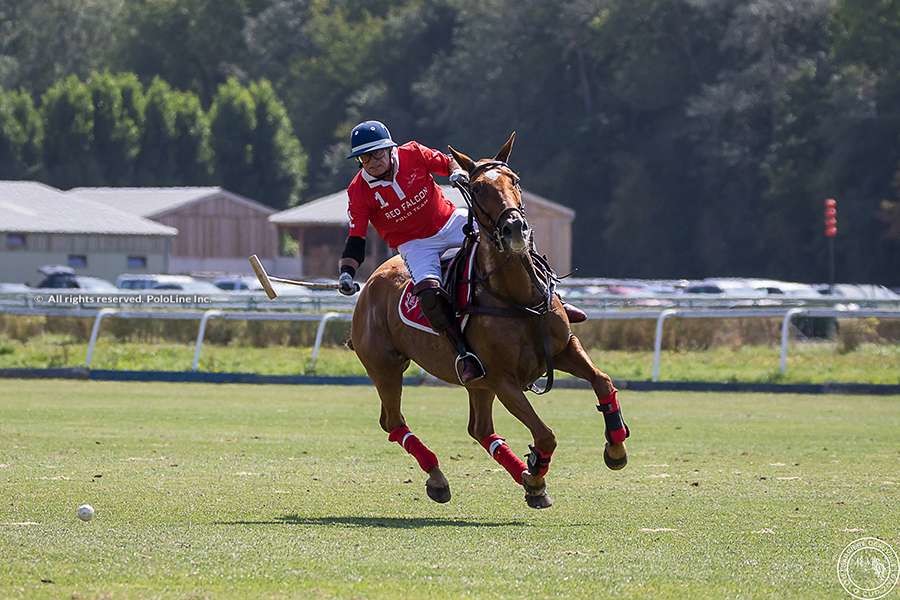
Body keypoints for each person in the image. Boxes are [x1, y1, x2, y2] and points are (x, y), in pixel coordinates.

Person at [337, 120, 485, 384]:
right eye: (364, 157)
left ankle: (551, 297)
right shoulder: (358, 191)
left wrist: (457, 172)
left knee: (502, 234)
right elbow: (356, 236)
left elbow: (449, 161)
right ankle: (464, 354)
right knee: (428, 293)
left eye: (376, 153)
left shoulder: (413, 153)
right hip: (416, 245)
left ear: (389, 149)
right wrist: (347, 273)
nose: (371, 161)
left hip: (449, 222)